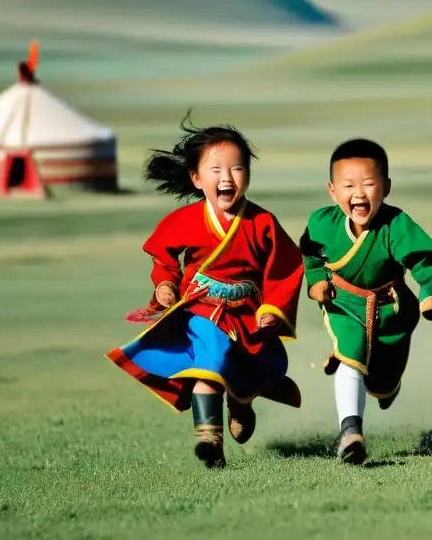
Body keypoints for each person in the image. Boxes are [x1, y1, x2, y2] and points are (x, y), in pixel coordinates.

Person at [107, 114, 304, 469]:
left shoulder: (263, 223)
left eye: (237, 169)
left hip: (246, 314)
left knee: (246, 371)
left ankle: (242, 402)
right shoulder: (185, 220)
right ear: (197, 179)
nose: (227, 178)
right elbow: (164, 257)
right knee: (207, 365)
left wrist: (273, 308)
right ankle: (209, 440)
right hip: (200, 311)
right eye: (216, 170)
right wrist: (165, 283)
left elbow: (285, 268)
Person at [300, 138, 432, 465]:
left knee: (383, 383)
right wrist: (317, 283)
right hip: (344, 303)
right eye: (348, 185)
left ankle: (385, 387)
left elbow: (426, 261)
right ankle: (351, 431)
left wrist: (430, 296)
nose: (359, 193)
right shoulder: (320, 224)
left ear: (387, 187)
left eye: (369, 184)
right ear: (332, 190)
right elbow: (311, 257)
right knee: (348, 351)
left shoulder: (396, 225)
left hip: (392, 308)